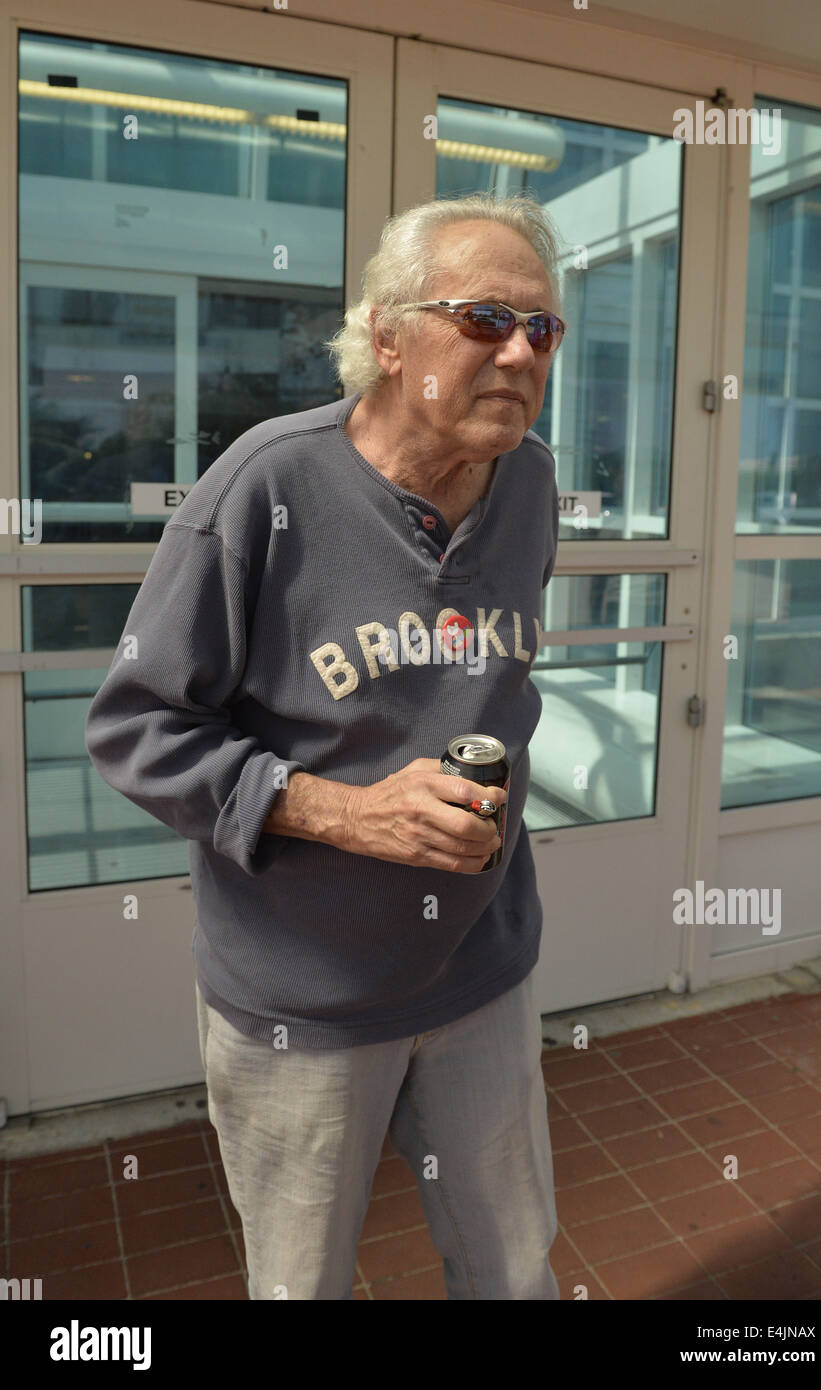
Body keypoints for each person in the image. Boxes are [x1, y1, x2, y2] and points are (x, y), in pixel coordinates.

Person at [85, 191, 566, 1300]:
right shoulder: (266, 487)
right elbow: (136, 724)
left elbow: (497, 674)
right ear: (388, 337)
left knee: (513, 1271)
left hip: (480, 970)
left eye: (540, 328)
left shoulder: (530, 481)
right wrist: (342, 810)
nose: (518, 351)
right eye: (485, 318)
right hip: (301, 1001)